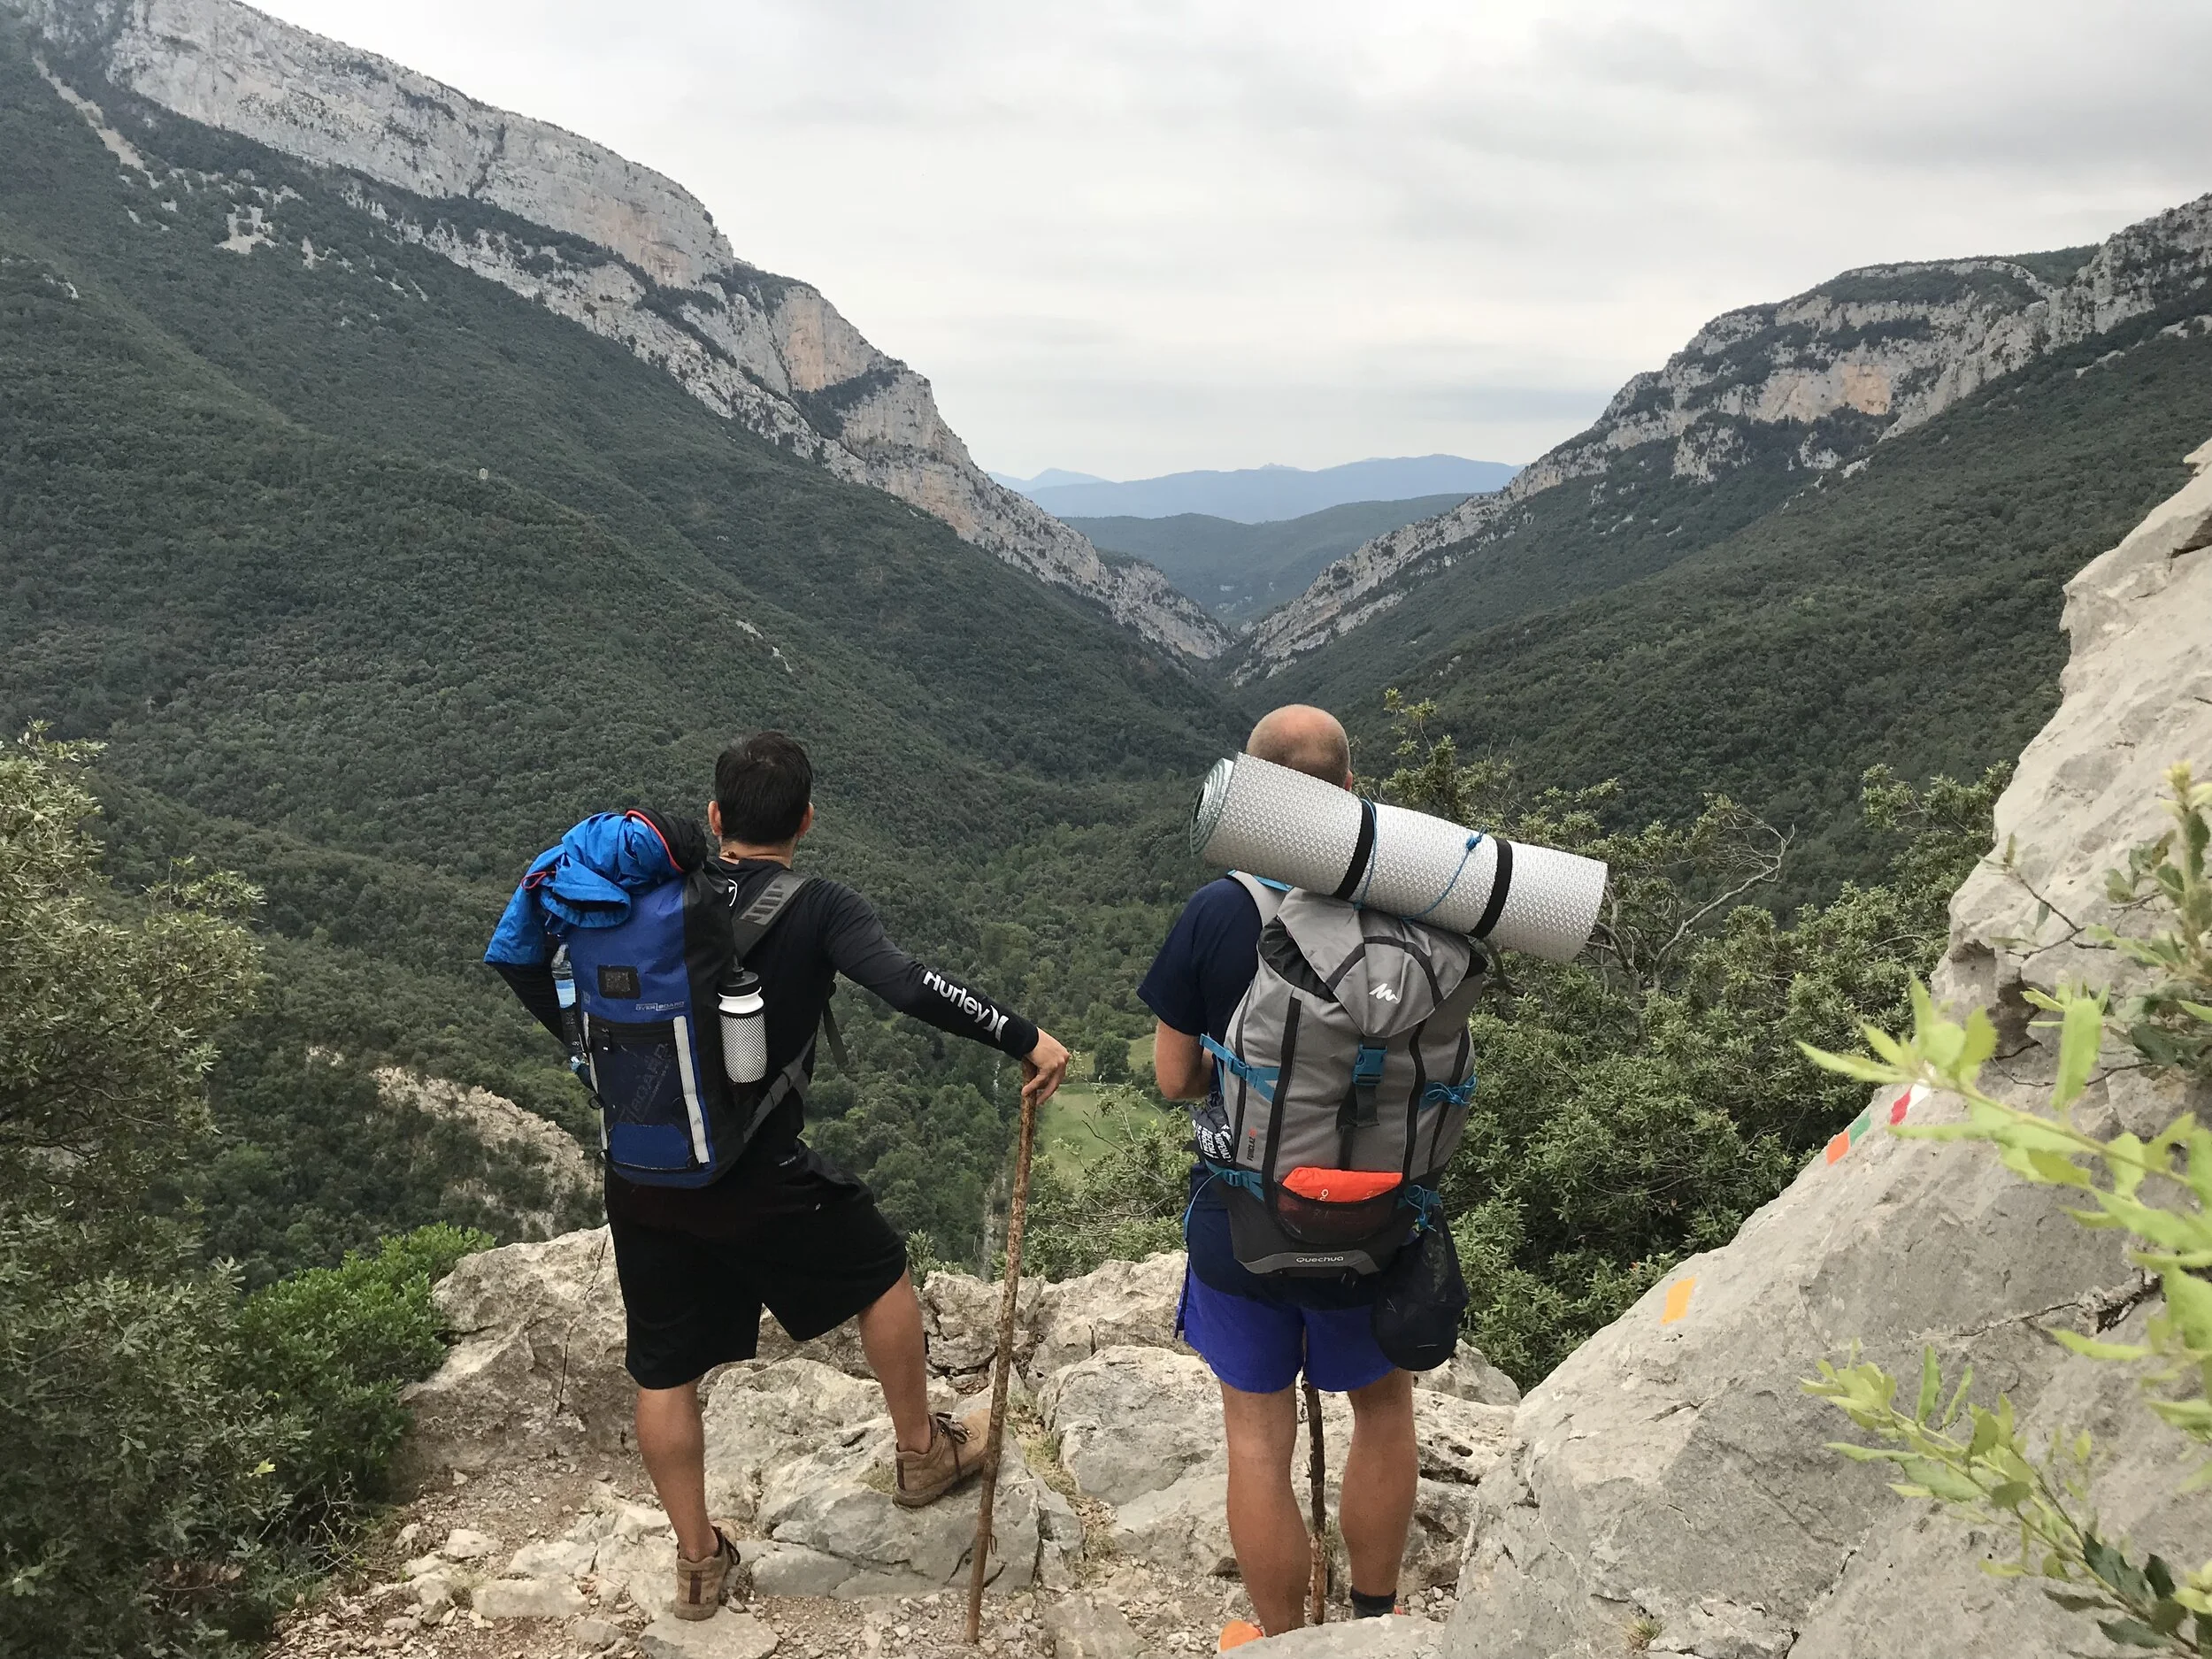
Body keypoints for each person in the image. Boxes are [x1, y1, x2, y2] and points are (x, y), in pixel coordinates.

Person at [490, 733, 1070, 1619]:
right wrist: (1023, 1036)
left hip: (643, 1173)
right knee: (879, 1271)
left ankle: (696, 1564)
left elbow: (525, 959)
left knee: (661, 1372)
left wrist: (586, 1056)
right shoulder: (820, 905)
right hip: (757, 1176)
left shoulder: (645, 897)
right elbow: (908, 986)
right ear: (806, 820)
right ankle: (921, 1453)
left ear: (715, 817)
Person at [1139, 705, 1417, 1648]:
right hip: (1381, 1214)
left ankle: (1283, 1639)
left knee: (1257, 1437)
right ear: (1350, 789)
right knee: (1382, 1411)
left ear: (1255, 798)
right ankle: (1376, 1622)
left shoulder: (1220, 911)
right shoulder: (1417, 900)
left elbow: (1174, 1078)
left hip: (1248, 1219)